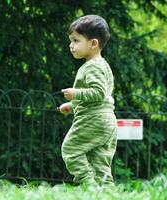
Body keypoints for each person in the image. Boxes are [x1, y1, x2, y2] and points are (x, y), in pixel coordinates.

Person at [59, 14, 117, 186]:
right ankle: (106, 194)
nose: (71, 45)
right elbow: (100, 98)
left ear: (93, 44)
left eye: (76, 41)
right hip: (106, 120)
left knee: (70, 149)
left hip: (94, 119)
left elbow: (98, 93)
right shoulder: (103, 65)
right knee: (101, 165)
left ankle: (88, 186)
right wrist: (72, 105)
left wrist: (76, 94)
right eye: (71, 41)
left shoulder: (92, 66)